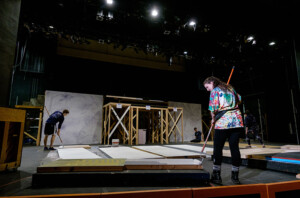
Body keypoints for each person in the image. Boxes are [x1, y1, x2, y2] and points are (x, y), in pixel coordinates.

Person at [203, 76, 244, 185]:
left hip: (223, 122)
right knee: (234, 148)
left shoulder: (215, 91)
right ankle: (235, 176)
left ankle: (217, 176)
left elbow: (213, 109)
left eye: (207, 87)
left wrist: (212, 119)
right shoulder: (231, 88)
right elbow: (239, 99)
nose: (207, 89)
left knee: (217, 148)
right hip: (236, 121)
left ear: (211, 82)